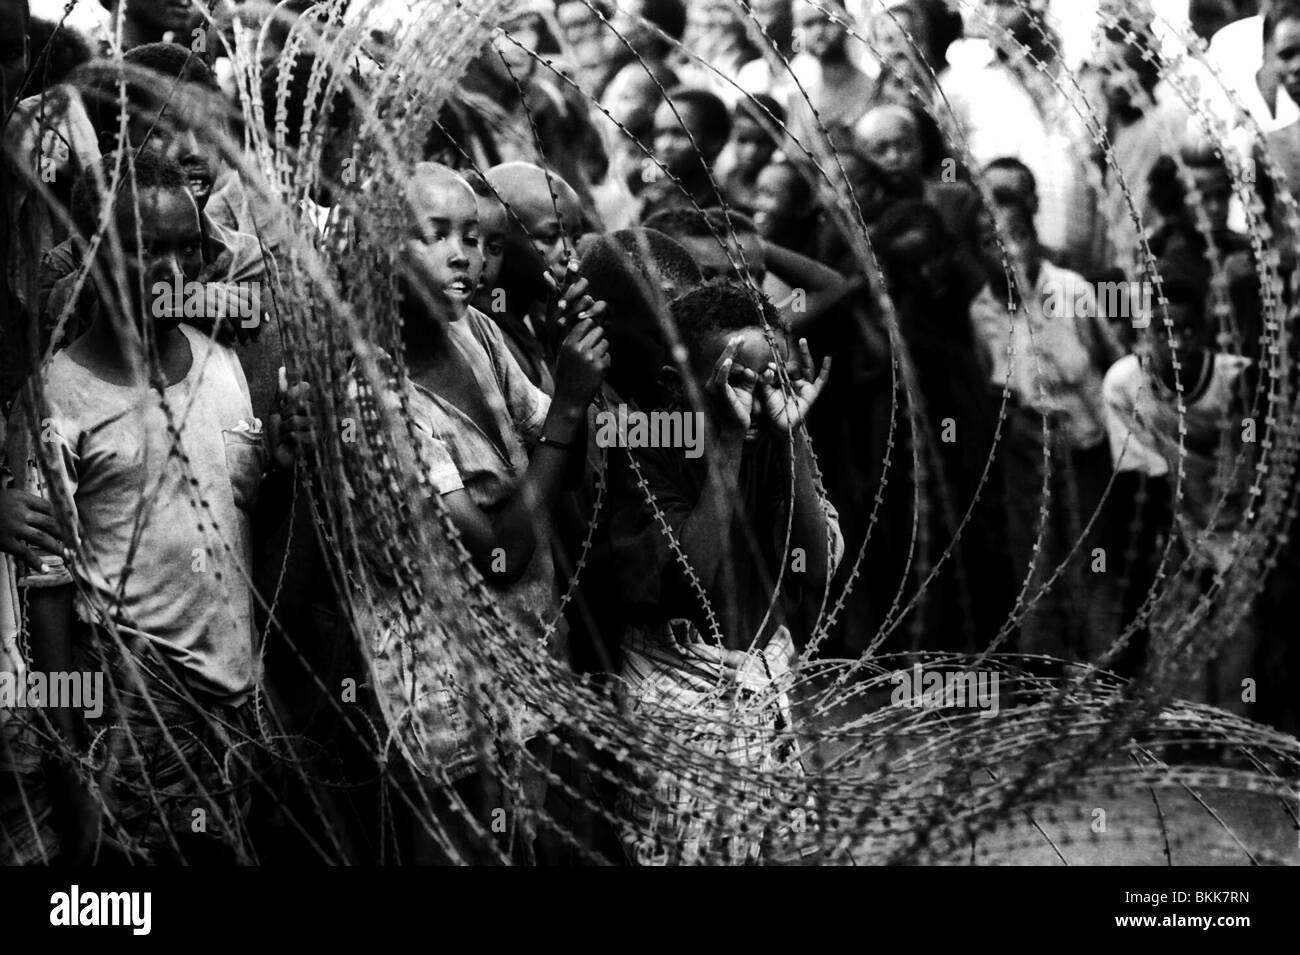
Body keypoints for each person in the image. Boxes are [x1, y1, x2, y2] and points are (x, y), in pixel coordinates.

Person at [6, 150, 311, 863]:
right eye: (148, 250)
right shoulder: (58, 399)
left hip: (236, 706)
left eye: (189, 249)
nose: (174, 272)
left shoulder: (225, 367)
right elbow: (46, 607)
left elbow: (247, 531)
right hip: (139, 716)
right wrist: (71, 775)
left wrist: (290, 468)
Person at [356, 162, 608, 860]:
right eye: (435, 235)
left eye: (472, 234)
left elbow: (560, 454)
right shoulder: (374, 396)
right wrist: (567, 407)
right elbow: (499, 551)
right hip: (447, 708)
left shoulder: (476, 334)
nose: (462, 254)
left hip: (527, 675)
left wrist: (570, 366)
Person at [606, 279, 839, 864]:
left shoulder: (775, 438)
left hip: (764, 682)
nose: (756, 401)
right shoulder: (646, 444)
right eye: (736, 381)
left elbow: (817, 567)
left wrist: (796, 439)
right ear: (673, 388)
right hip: (680, 695)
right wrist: (727, 446)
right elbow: (691, 581)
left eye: (775, 382)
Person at [970, 195, 1124, 661]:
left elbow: (1111, 358)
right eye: (990, 243)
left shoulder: (1072, 289)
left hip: (1085, 441)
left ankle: (1101, 669)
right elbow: (995, 382)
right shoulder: (982, 310)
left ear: (1036, 239)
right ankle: (1044, 671)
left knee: (1091, 558)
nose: (1007, 251)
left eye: (1016, 237)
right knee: (1036, 560)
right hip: (1027, 446)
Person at [1102, 261, 1259, 713]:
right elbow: (1142, 472)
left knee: (1236, 632)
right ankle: (1185, 723)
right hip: (1178, 527)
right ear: (1143, 333)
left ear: (1205, 332)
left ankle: (1234, 728)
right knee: (1179, 625)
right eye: (1163, 331)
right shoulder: (1125, 385)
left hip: (1236, 528)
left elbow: (1247, 456)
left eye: (1188, 331)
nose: (1177, 343)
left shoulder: (1236, 381)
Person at [639, 86, 732, 217]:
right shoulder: (654, 199)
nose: (665, 145)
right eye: (659, 133)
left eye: (678, 134)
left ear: (713, 141)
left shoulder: (723, 209)